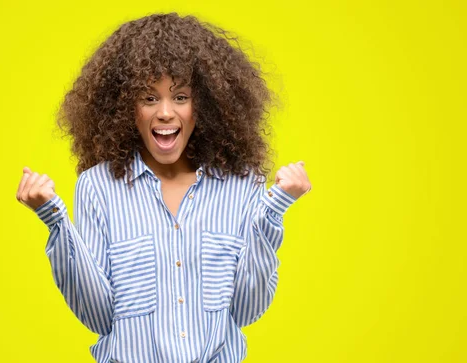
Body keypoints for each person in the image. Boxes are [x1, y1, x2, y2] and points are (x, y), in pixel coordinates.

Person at [16, 12, 311, 363]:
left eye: (181, 97)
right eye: (149, 98)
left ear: (205, 105)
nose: (166, 113)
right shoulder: (97, 187)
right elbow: (98, 317)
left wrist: (274, 209)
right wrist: (53, 218)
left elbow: (246, 311)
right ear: (126, 109)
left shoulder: (241, 183)